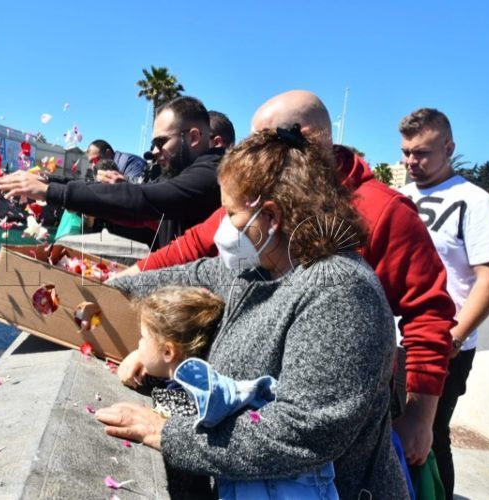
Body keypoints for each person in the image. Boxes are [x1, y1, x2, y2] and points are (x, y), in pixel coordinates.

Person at [118, 90, 457, 468]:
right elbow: (194, 259)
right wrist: (112, 286)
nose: (226, 227)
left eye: (266, 141)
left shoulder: (346, 278)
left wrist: (420, 416)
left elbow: (305, 429)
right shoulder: (263, 240)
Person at [98, 128, 408, 498]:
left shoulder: (342, 293)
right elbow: (188, 275)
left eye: (231, 213)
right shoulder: (256, 267)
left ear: (271, 216)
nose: (224, 228)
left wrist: (162, 432)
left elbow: (301, 432)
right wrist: (97, 290)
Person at [398, 108, 489, 500]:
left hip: (445, 344)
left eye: (423, 153)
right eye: (406, 152)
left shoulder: (474, 202)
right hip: (396, 340)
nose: (412, 161)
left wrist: (457, 335)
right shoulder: (401, 198)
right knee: (391, 434)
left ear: (449, 147)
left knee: (429, 437)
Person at [134, 285, 339, 499]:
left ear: (168, 351)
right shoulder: (211, 384)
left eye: (142, 337)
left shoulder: (204, 396)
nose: (137, 345)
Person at [0, 96, 224, 249]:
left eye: (161, 142)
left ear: (194, 137)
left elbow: (143, 199)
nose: (154, 151)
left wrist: (50, 192)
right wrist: (50, 179)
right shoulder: (183, 174)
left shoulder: (212, 172)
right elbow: (135, 194)